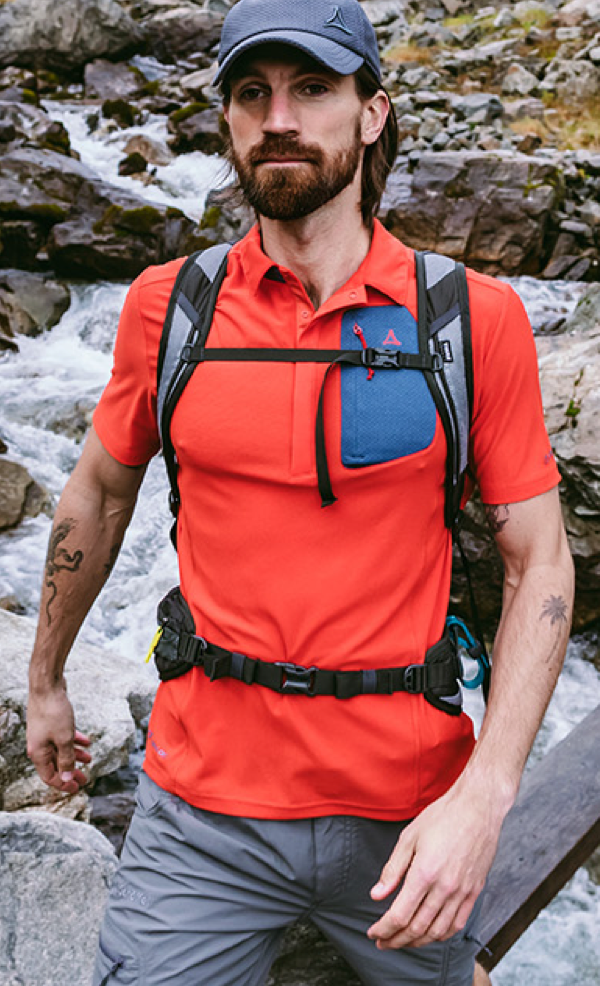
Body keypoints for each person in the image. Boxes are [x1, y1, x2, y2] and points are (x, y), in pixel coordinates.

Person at [27, 1, 574, 984]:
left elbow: (540, 559)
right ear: (228, 122)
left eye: (313, 88)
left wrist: (487, 795)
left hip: (411, 811)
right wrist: (45, 681)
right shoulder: (170, 309)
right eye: (253, 93)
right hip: (202, 819)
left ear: (373, 112)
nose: (279, 118)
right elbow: (99, 496)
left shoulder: (468, 320)